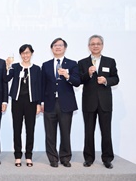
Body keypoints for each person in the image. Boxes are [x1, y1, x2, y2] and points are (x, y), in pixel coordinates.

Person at [78, 35, 119, 169]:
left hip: (105, 102)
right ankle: (89, 158)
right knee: (89, 131)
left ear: (102, 45)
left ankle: (107, 159)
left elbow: (116, 78)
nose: (95, 46)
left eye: (98, 44)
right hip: (89, 102)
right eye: (92, 44)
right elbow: (79, 80)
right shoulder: (82, 62)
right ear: (89, 46)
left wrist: (106, 81)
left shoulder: (110, 61)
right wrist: (88, 74)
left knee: (106, 131)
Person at [41, 38, 80, 168]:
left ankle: (65, 158)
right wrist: (41, 103)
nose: (58, 47)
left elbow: (77, 81)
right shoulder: (45, 65)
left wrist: (67, 76)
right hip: (49, 103)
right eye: (55, 45)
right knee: (50, 133)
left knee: (65, 132)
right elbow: (42, 85)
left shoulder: (72, 64)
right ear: (52, 48)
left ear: (65, 48)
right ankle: (53, 158)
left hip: (66, 103)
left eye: (60, 45)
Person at [5, 44, 41, 167]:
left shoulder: (36, 69)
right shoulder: (15, 67)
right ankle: (18, 156)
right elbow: (6, 78)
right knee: (17, 129)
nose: (25, 55)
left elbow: (39, 87)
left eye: (28, 53)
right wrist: (8, 66)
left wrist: (38, 104)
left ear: (31, 54)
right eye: (23, 53)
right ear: (20, 54)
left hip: (31, 102)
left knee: (30, 130)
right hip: (17, 102)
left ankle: (29, 156)